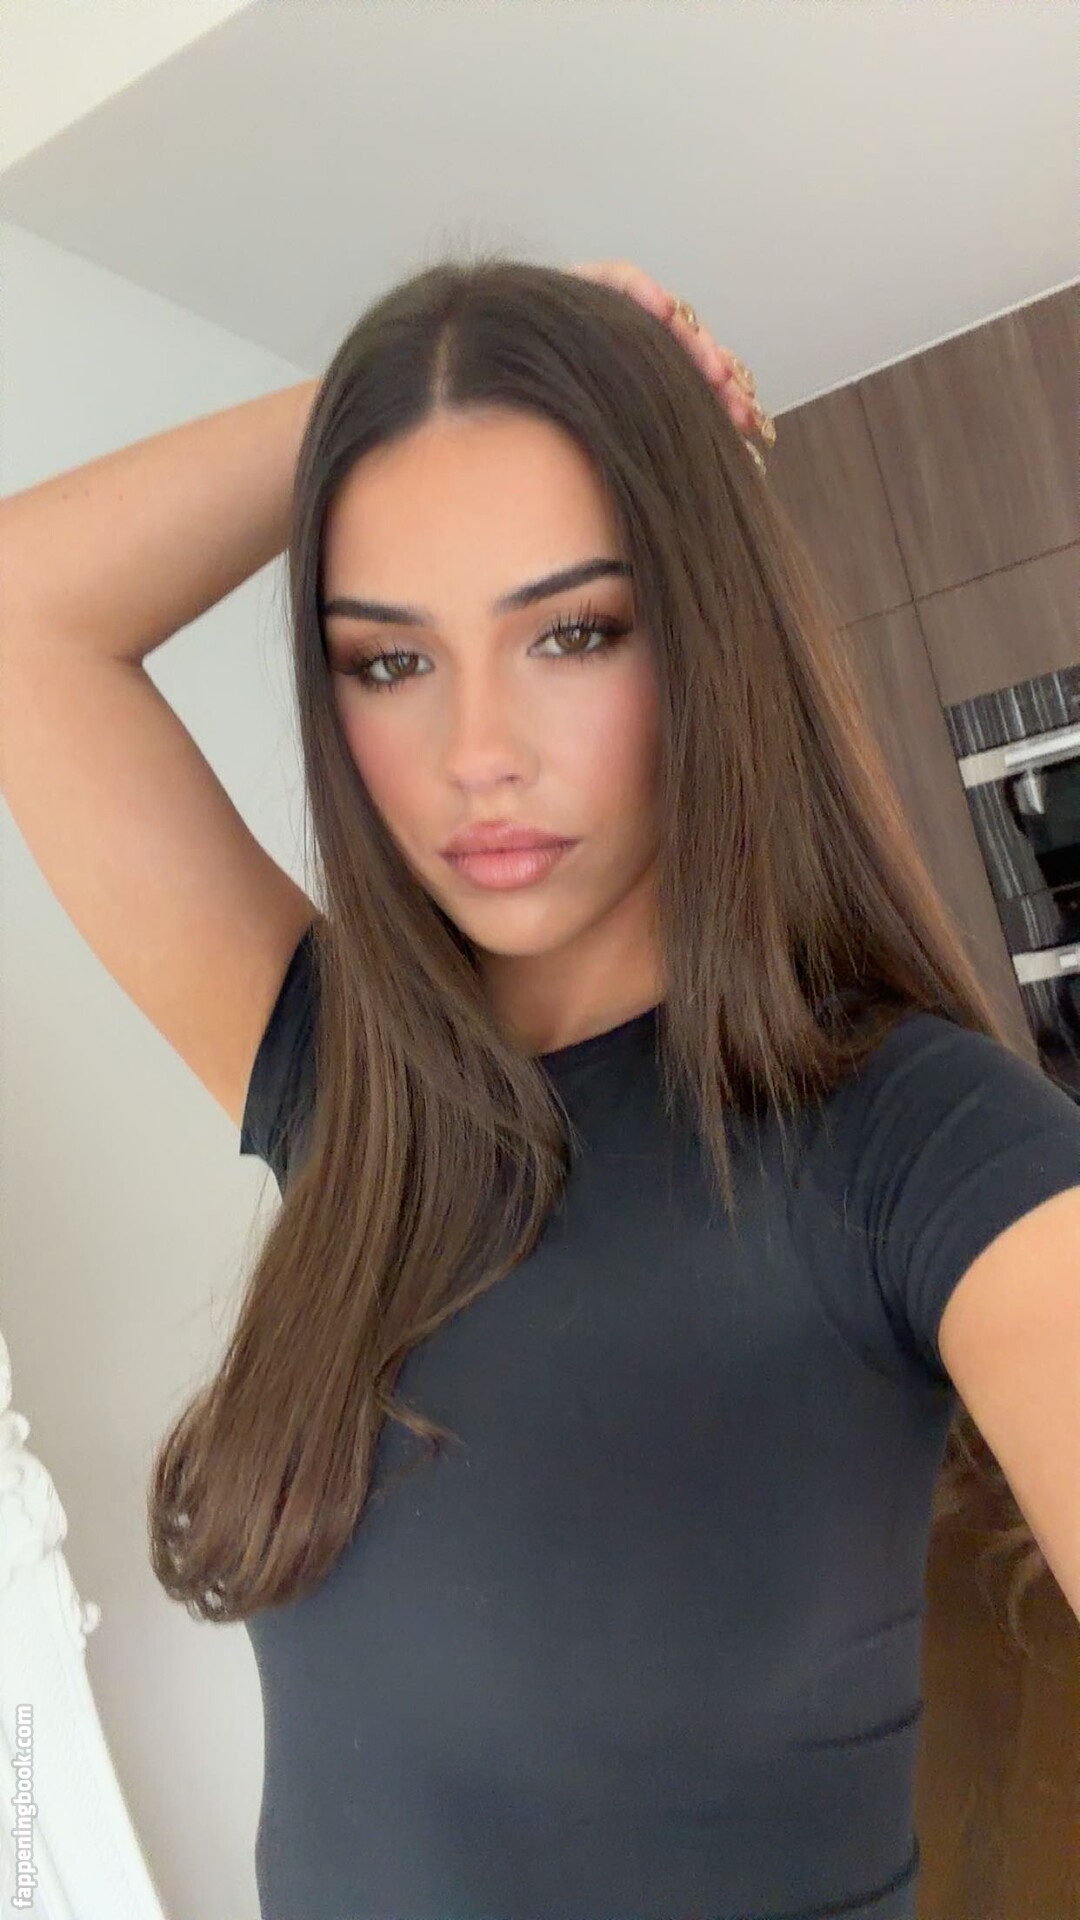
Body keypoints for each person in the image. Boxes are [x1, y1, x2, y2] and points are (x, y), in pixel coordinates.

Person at [1, 255, 1077, 1920]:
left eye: (574, 632)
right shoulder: (352, 1087)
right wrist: (407, 387)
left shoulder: (920, 1139)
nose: (477, 755)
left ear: (703, 636)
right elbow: (25, 612)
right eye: (389, 660)